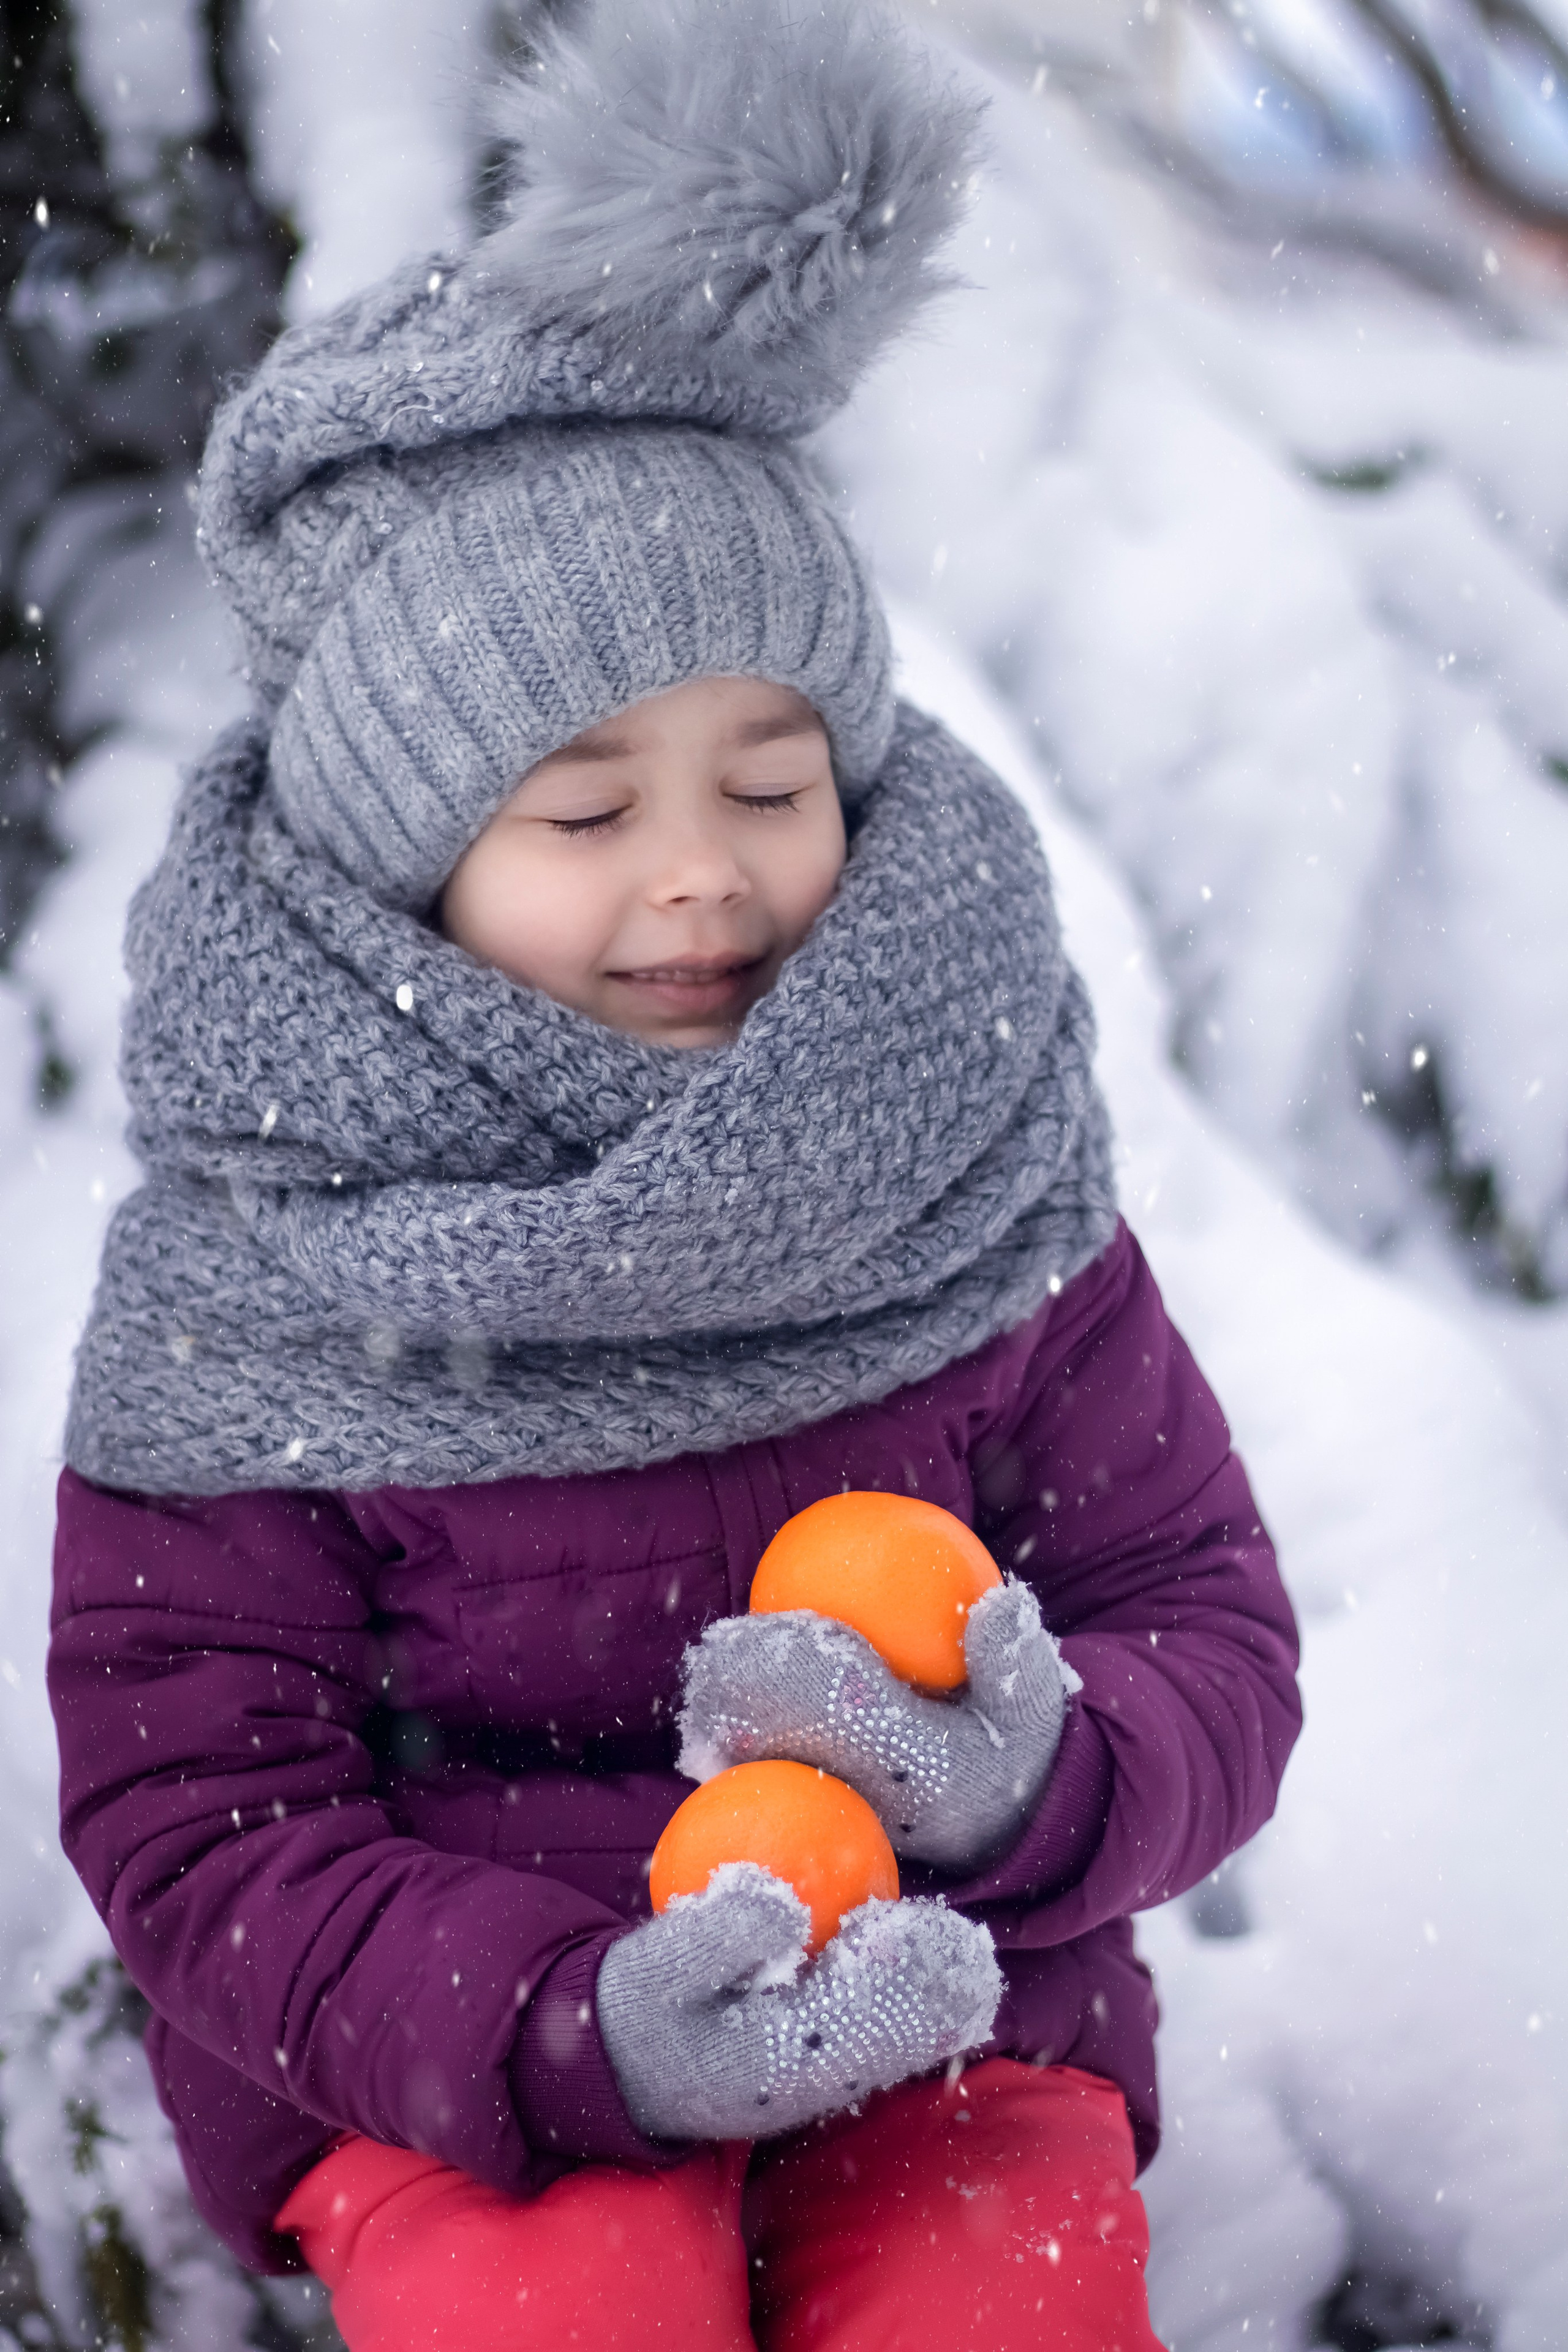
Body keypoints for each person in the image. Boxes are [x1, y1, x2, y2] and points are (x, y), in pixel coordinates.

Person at [47, 1, 1302, 2345]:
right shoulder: (265, 1279)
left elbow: (1204, 1619)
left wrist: (1033, 1783)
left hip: (950, 2015)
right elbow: (202, 1819)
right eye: (586, 809)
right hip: (473, 2078)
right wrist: (573, 2030)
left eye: (772, 781)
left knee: (998, 2311)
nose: (702, 870)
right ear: (405, 867)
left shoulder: (965, 1168)